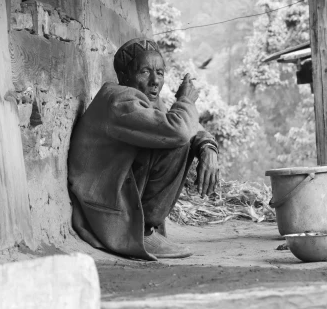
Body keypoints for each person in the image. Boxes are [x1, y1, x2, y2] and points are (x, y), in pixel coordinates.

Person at [68, 38, 220, 260]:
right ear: (124, 76)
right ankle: (143, 230)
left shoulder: (144, 102)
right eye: (145, 72)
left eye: (160, 72)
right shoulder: (119, 101)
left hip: (115, 202)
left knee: (179, 137)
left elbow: (187, 128)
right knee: (177, 141)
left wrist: (208, 147)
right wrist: (186, 101)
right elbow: (178, 131)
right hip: (103, 212)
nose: (154, 81)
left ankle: (146, 228)